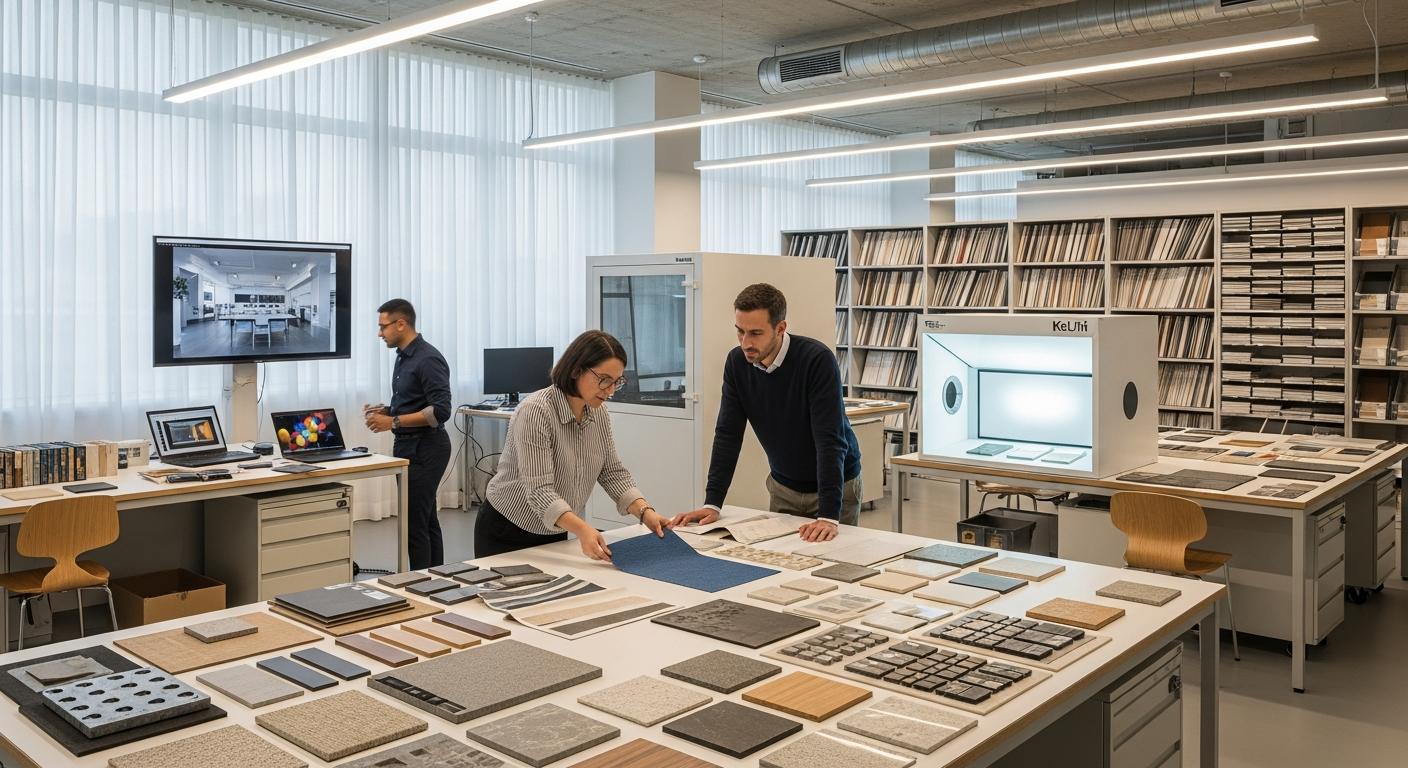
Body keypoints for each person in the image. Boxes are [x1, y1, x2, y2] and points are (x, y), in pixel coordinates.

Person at [669, 283, 861, 542]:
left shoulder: (816, 360)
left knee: (834, 562)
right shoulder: (737, 363)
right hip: (783, 487)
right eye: (740, 331)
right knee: (785, 562)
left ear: (781, 328)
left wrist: (828, 516)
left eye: (756, 333)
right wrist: (713, 504)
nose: (746, 343)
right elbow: (728, 433)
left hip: (836, 487)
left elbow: (829, 440)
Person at [476, 330, 667, 560]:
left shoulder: (599, 414)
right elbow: (539, 491)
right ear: (577, 370)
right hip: (508, 529)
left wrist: (645, 512)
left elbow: (612, 473)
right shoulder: (536, 411)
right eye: (604, 379)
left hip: (554, 525)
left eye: (617, 381)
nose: (611, 390)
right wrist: (583, 528)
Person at [364, 299, 452, 570]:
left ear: (401, 324)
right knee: (425, 519)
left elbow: (440, 411)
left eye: (383, 327)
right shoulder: (404, 357)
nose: (380, 333)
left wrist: (394, 421)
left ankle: (419, 583)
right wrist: (389, 410)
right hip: (409, 447)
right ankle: (435, 577)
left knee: (415, 523)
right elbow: (417, 402)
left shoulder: (428, 358)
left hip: (427, 448)